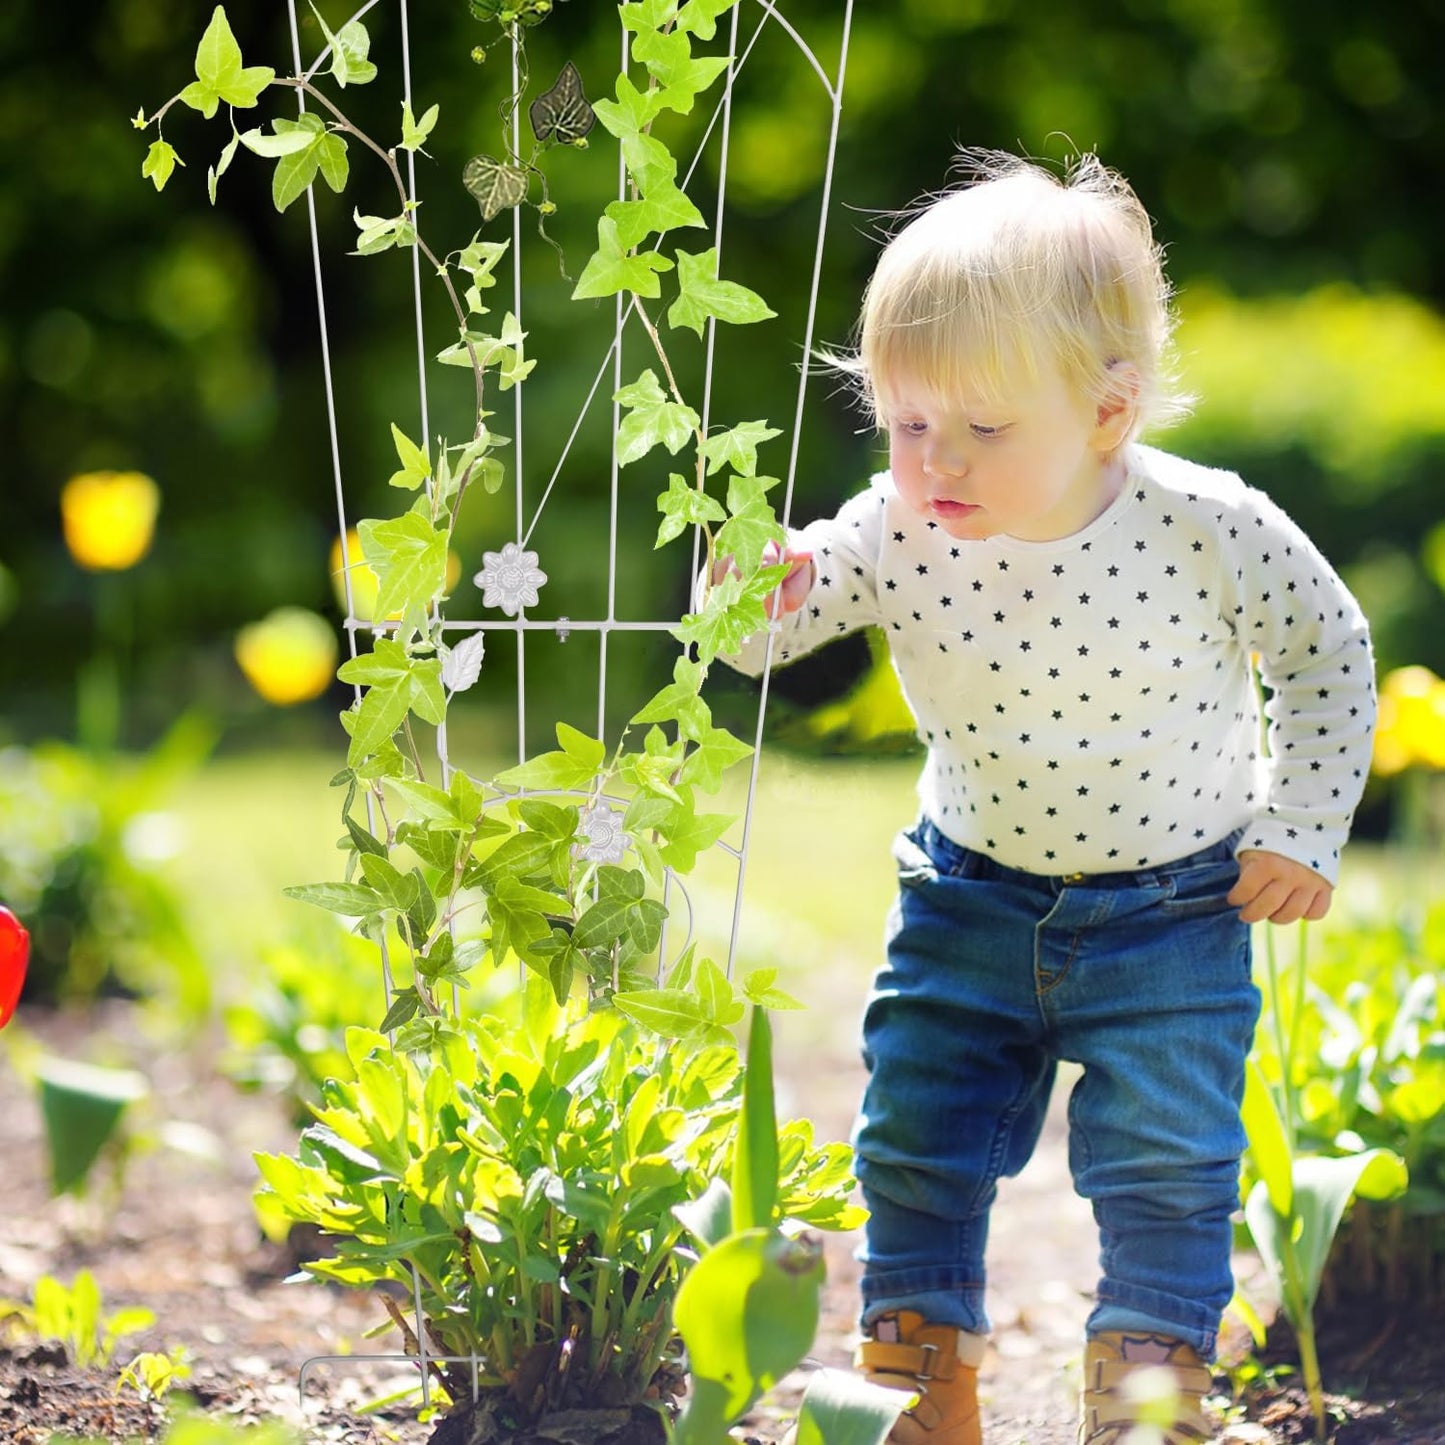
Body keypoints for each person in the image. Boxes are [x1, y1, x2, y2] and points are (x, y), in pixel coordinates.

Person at [715, 152, 1376, 1445]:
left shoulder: (1204, 524)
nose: (934, 460)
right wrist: (753, 583)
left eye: (980, 428)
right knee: (915, 1132)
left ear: (1107, 412)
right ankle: (918, 1373)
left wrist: (1299, 824)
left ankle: (1146, 1387)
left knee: (1167, 1165)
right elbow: (759, 642)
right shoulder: (897, 526)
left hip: (1175, 908)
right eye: (907, 424)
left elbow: (1325, 647)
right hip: (966, 896)